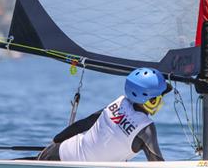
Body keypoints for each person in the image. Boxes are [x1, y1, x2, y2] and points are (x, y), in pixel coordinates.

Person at [37, 67, 169, 162]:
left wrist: (56, 140)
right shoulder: (146, 128)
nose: (162, 101)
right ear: (151, 100)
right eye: (160, 97)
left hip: (54, 152)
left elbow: (85, 123)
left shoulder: (119, 103)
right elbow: (158, 166)